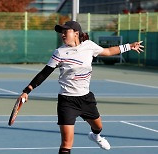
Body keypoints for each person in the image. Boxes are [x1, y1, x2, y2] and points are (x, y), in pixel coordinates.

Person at [18, 21, 144, 154]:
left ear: (76, 33)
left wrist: (129, 46)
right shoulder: (59, 53)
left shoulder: (89, 46)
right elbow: (44, 73)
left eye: (65, 31)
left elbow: (108, 51)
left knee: (98, 127)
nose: (62, 35)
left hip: (86, 98)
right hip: (67, 101)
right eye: (62, 32)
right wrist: (27, 91)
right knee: (66, 143)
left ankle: (95, 136)